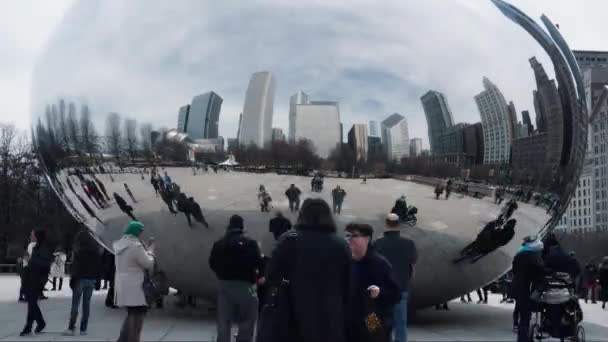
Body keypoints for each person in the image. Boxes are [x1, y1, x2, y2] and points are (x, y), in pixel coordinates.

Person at [265, 198, 352, 342]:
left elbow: (271, 275)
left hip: (292, 313)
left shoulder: (288, 240)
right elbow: (348, 284)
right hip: (329, 316)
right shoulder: (340, 245)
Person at [209, 215, 263, 342]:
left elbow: (212, 263)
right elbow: (258, 262)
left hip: (225, 285)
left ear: (229, 226)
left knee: (224, 320)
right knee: (248, 318)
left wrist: (221, 275)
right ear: (242, 227)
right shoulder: (250, 243)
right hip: (246, 285)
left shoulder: (219, 243)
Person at [345, 223, 401, 342]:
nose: (349, 240)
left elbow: (396, 294)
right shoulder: (346, 263)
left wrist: (380, 292)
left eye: (354, 236)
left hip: (371, 316)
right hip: (349, 320)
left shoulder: (379, 263)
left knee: (375, 339)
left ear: (367, 238)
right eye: (347, 236)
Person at [374, 213, 418, 342]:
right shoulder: (408, 243)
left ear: (386, 224)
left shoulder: (378, 243)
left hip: (381, 290)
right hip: (401, 288)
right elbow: (413, 263)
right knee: (400, 324)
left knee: (376, 321)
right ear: (398, 224)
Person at [113, 221, 155, 342]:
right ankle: (133, 339)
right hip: (136, 285)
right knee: (138, 317)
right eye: (141, 232)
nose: (142, 235)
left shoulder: (120, 244)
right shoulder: (135, 246)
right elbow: (148, 263)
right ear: (137, 232)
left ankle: (123, 339)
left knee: (131, 313)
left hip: (123, 284)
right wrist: (151, 250)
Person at [63, 232, 102, 336]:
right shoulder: (96, 253)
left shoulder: (78, 252)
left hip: (80, 279)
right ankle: (83, 328)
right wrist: (98, 281)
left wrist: (73, 279)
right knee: (86, 305)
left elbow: (76, 268)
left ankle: (71, 327)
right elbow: (98, 268)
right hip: (91, 279)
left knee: (75, 304)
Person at [512, 236, 545, 341]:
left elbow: (515, 271)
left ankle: (522, 337)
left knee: (522, 315)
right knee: (526, 316)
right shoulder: (534, 258)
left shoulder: (519, 255)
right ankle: (523, 338)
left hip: (519, 288)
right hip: (528, 289)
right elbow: (540, 274)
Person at [20, 230, 52, 336]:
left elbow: (45, 264)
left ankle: (29, 326)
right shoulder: (34, 246)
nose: (30, 236)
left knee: (32, 302)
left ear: (37, 236)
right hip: (31, 277)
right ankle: (39, 323)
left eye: (32, 235)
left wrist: (30, 260)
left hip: (38, 279)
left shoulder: (45, 248)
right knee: (31, 301)